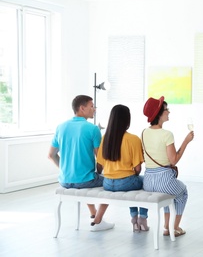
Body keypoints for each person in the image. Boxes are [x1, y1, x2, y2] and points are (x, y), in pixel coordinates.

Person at [48, 95, 114, 232]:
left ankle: (93, 213)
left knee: (85, 177)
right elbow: (100, 159)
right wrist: (103, 173)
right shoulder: (92, 129)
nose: (94, 109)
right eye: (91, 106)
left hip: (65, 181)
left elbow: (51, 155)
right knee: (112, 183)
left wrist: (66, 170)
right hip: (85, 180)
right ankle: (98, 220)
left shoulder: (60, 127)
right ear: (82, 108)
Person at [141, 96, 194, 237]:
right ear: (159, 114)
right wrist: (186, 141)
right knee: (182, 193)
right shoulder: (167, 134)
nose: (169, 112)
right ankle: (173, 227)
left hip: (148, 181)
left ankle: (167, 226)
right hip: (164, 180)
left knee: (169, 196)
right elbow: (173, 160)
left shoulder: (144, 132)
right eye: (166, 110)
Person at [96, 104, 149, 232]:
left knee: (133, 188)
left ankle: (133, 219)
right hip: (126, 182)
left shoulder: (105, 138)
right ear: (127, 119)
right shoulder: (133, 139)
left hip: (107, 183)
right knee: (147, 183)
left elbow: (99, 166)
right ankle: (142, 218)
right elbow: (137, 169)